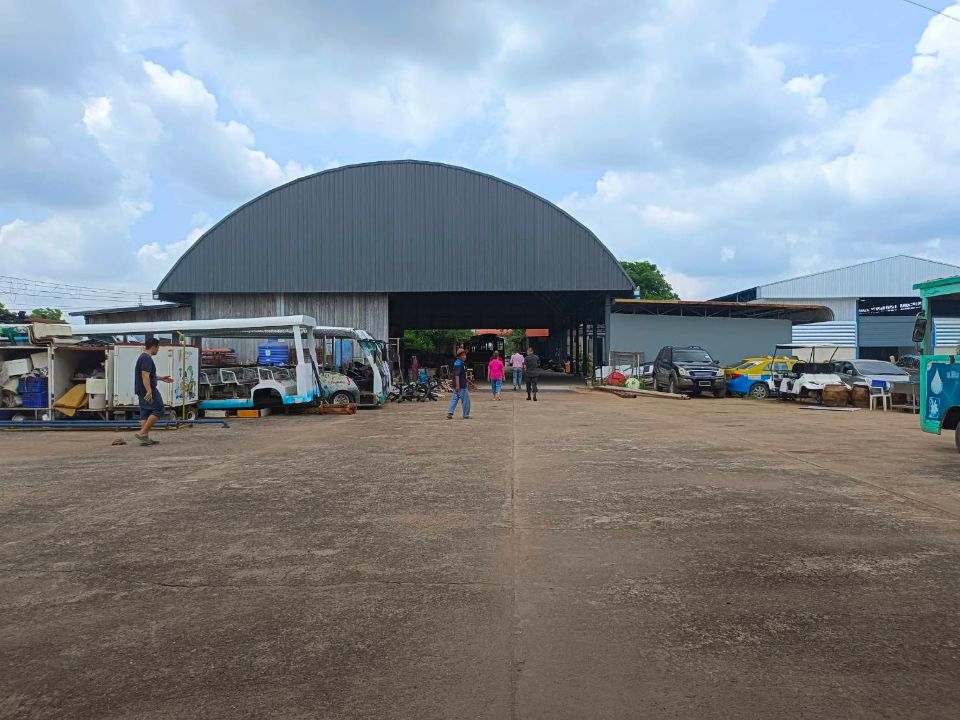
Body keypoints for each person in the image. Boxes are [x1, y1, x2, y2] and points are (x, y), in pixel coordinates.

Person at [134, 338, 173, 446]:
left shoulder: (142, 357)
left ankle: (144, 438)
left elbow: (149, 375)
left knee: (145, 412)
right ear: (153, 347)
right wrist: (149, 391)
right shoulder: (146, 358)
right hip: (147, 389)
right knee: (159, 409)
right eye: (158, 347)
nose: (158, 350)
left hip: (140, 389)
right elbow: (145, 375)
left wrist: (161, 378)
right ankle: (142, 433)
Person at [447, 348, 471, 419]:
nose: (464, 357)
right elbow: (457, 375)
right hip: (461, 386)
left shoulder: (457, 363)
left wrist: (469, 382)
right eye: (462, 355)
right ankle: (466, 415)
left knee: (454, 399)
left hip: (457, 385)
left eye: (465, 355)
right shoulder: (459, 364)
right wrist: (458, 386)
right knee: (466, 401)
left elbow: (461, 375)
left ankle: (450, 413)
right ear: (458, 356)